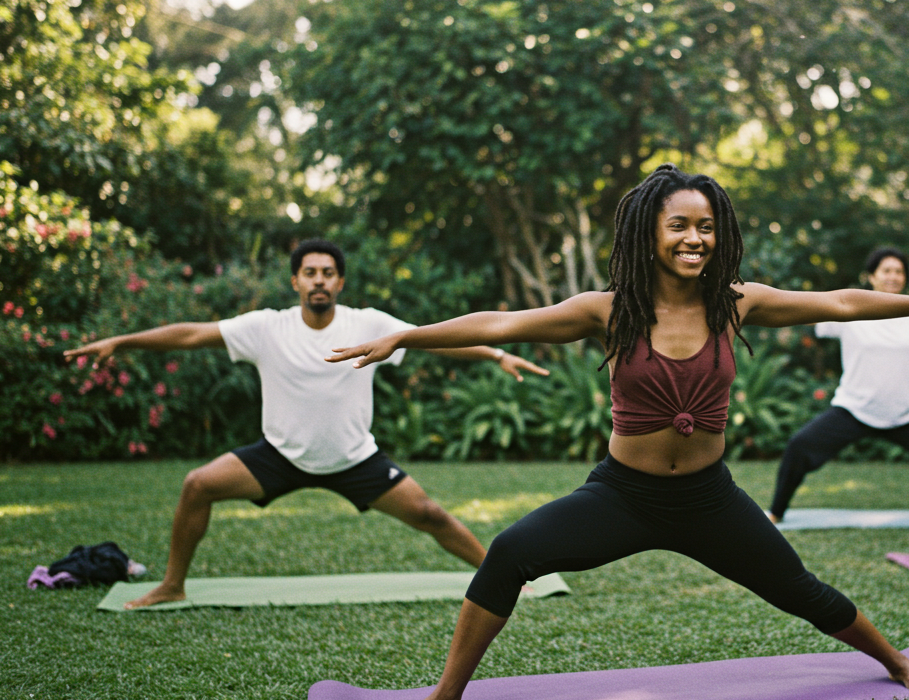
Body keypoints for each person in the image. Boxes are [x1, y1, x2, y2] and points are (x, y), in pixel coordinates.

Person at [327, 165, 909, 700]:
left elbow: (842, 302)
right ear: (649, 232)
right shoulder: (609, 310)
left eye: (705, 226)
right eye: (679, 225)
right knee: (510, 553)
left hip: (708, 499)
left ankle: (896, 662)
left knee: (801, 591)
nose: (695, 238)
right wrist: (406, 336)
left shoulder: (737, 303)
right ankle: (447, 695)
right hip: (624, 494)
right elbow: (503, 322)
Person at [63, 239, 548, 609]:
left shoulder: (367, 323)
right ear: (295, 281)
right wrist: (122, 342)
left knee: (430, 514)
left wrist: (496, 353)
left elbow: (427, 339)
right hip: (278, 456)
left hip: (354, 458)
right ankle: (172, 585)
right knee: (198, 484)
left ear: (340, 283)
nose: (319, 280)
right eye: (310, 273)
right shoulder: (266, 327)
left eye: (329, 273)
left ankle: (499, 577)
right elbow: (191, 334)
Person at [768, 247, 909, 522]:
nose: (893, 277)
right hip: (854, 408)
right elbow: (808, 313)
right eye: (886, 271)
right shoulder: (850, 311)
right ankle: (776, 513)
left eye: (899, 272)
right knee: (799, 448)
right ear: (871, 277)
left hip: (906, 413)